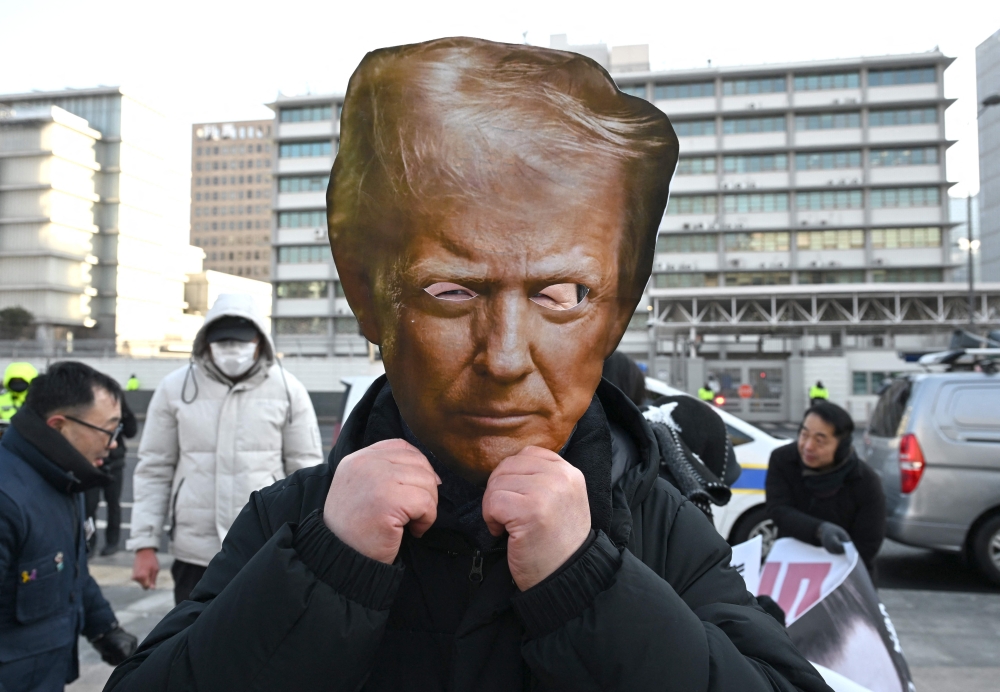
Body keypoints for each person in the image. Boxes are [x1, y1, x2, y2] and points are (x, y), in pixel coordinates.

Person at [107, 38, 830, 692]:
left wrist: (587, 585)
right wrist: (329, 569)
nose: (506, 357)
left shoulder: (655, 521)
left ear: (618, 307)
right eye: (450, 292)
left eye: (562, 295)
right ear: (370, 297)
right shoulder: (295, 520)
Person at [127, 293, 323, 604]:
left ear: (260, 340)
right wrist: (144, 544)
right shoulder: (174, 388)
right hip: (195, 551)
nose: (232, 348)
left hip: (266, 546)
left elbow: (307, 473)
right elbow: (154, 468)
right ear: (206, 341)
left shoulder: (289, 390)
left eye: (241, 340)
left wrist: (308, 544)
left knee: (261, 644)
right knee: (191, 643)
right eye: (223, 340)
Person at [0, 362, 137, 691]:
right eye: (108, 430)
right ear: (59, 426)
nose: (114, 443)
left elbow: (67, 566)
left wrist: (103, 628)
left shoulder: (66, 480)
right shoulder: (8, 500)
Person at [765, 401, 886, 575]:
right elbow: (778, 509)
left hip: (844, 573)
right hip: (790, 567)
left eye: (820, 441)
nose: (808, 446)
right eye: (804, 435)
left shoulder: (865, 481)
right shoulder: (783, 460)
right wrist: (819, 530)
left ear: (841, 446)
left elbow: (868, 545)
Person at [85, 397, 137, 556]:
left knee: (113, 504)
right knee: (89, 506)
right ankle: (90, 543)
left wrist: (125, 414)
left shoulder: (120, 413)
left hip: (114, 464)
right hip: (94, 464)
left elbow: (131, 432)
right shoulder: (90, 410)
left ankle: (112, 542)